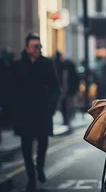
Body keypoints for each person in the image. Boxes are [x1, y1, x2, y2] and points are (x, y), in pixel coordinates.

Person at [10, 33, 60, 192]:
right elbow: (11, 89)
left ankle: (40, 167)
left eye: (39, 46)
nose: (38, 49)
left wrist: (51, 106)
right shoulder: (17, 66)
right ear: (27, 48)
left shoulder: (47, 63)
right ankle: (31, 178)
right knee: (26, 146)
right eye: (35, 46)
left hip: (42, 111)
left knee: (43, 142)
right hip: (24, 113)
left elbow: (55, 88)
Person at [54, 51, 80, 126]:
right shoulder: (60, 67)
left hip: (68, 91)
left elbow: (75, 80)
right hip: (65, 91)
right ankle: (66, 120)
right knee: (65, 105)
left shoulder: (65, 68)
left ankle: (67, 120)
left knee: (68, 105)